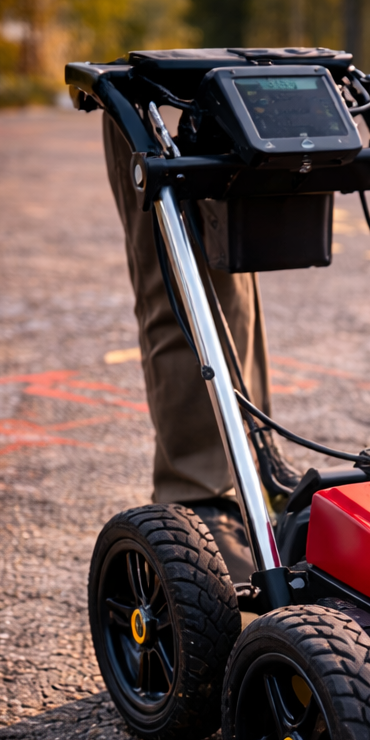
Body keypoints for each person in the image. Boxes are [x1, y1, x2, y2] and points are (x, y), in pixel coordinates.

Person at [101, 111, 298, 581]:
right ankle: (198, 496)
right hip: (153, 81)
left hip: (235, 69)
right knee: (176, 279)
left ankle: (252, 473)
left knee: (232, 277)